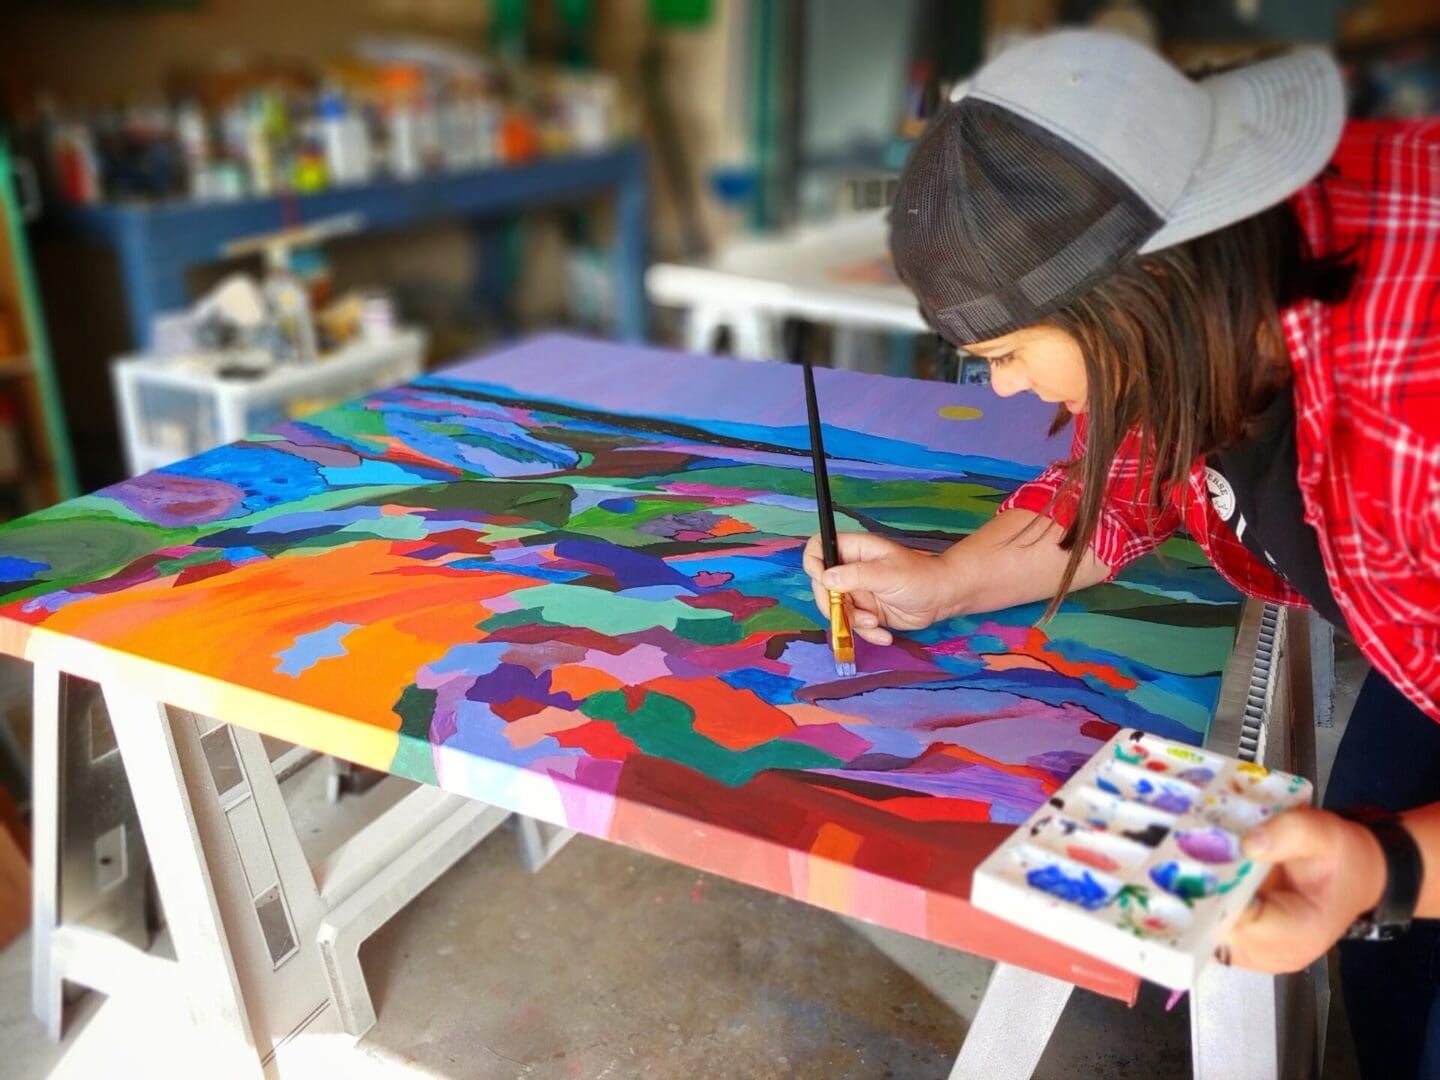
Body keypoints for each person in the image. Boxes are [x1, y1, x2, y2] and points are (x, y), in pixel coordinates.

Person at [803, 30, 1440, 1078]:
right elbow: (1136, 473)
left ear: (1132, 295)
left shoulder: (1406, 413)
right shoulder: (1197, 291)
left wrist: (1394, 866)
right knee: (1382, 948)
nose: (1002, 389)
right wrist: (947, 580)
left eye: (1007, 353)